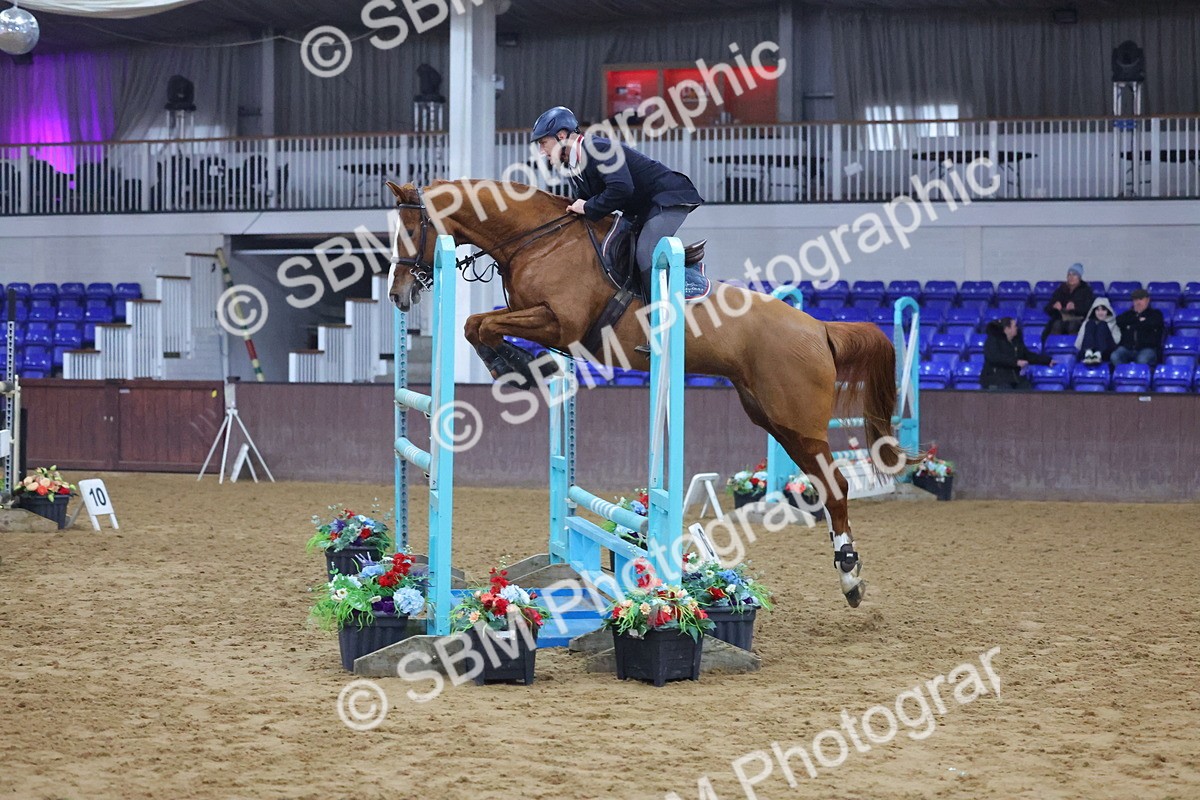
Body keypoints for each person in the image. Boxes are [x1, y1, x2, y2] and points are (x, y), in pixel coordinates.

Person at [531, 106, 705, 301]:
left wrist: (587, 207)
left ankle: (661, 317)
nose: (541, 151)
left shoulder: (597, 148)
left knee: (645, 252)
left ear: (562, 135)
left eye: (543, 142)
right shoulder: (573, 167)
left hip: (667, 198)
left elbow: (622, 188)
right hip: (641, 209)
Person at [983, 317, 1053, 390]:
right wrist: (1016, 362)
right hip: (997, 379)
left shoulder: (1017, 341)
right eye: (1014, 326)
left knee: (1027, 390)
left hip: (1016, 378)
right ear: (1007, 329)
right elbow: (994, 357)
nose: (1017, 328)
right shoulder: (992, 340)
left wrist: (1047, 360)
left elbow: (1027, 355)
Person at [1042, 263, 1094, 342]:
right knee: (1056, 325)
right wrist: (1054, 306)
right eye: (1069, 275)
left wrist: (1075, 308)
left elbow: (1089, 309)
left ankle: (1073, 350)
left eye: (1074, 275)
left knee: (1072, 325)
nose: (1071, 277)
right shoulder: (1061, 289)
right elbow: (1047, 308)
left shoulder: (1086, 291)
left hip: (1078, 320)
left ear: (1079, 277)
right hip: (1061, 319)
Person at [1111, 288, 1165, 366]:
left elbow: (1152, 324)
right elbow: (1119, 321)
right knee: (1115, 356)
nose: (1138, 302)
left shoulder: (1155, 314)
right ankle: (1124, 375)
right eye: (1135, 300)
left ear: (1147, 300)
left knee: (1142, 360)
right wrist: (1138, 319)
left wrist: (1131, 323)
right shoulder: (1129, 314)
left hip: (1147, 348)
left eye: (1141, 299)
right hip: (1128, 348)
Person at [1074, 297, 1121, 365]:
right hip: (1087, 353)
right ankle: (1089, 353)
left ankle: (1098, 353)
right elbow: (1079, 343)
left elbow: (1116, 341)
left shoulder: (1113, 322)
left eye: (1103, 310)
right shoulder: (1087, 323)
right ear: (1094, 311)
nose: (1100, 313)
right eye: (1098, 310)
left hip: (1106, 352)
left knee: (1102, 324)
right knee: (1091, 323)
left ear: (1108, 311)